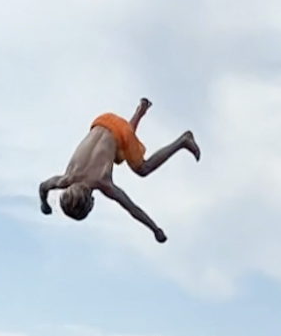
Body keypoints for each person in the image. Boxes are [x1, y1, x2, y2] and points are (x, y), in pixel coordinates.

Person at [38, 98, 202, 243]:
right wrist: (44, 203)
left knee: (143, 169)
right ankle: (141, 110)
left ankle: (183, 141)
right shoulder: (65, 179)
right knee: (118, 154)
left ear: (88, 202)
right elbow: (43, 187)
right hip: (102, 120)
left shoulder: (103, 183)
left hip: (121, 133)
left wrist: (155, 230)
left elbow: (133, 209)